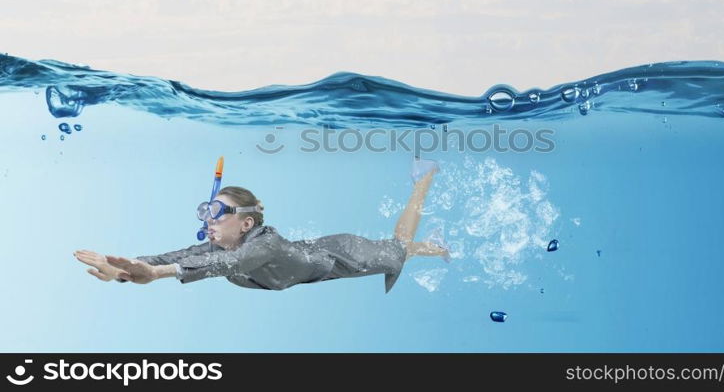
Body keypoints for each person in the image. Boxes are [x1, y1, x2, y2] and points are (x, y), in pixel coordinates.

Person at [74, 158, 449, 294]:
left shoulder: (262, 243)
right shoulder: (217, 248)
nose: (209, 221)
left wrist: (158, 274)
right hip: (310, 269)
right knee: (403, 249)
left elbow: (230, 266)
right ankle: (432, 245)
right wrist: (121, 271)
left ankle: (425, 177)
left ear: (247, 222)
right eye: (206, 213)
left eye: (219, 212)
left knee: (396, 248)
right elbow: (169, 257)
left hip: (340, 254)